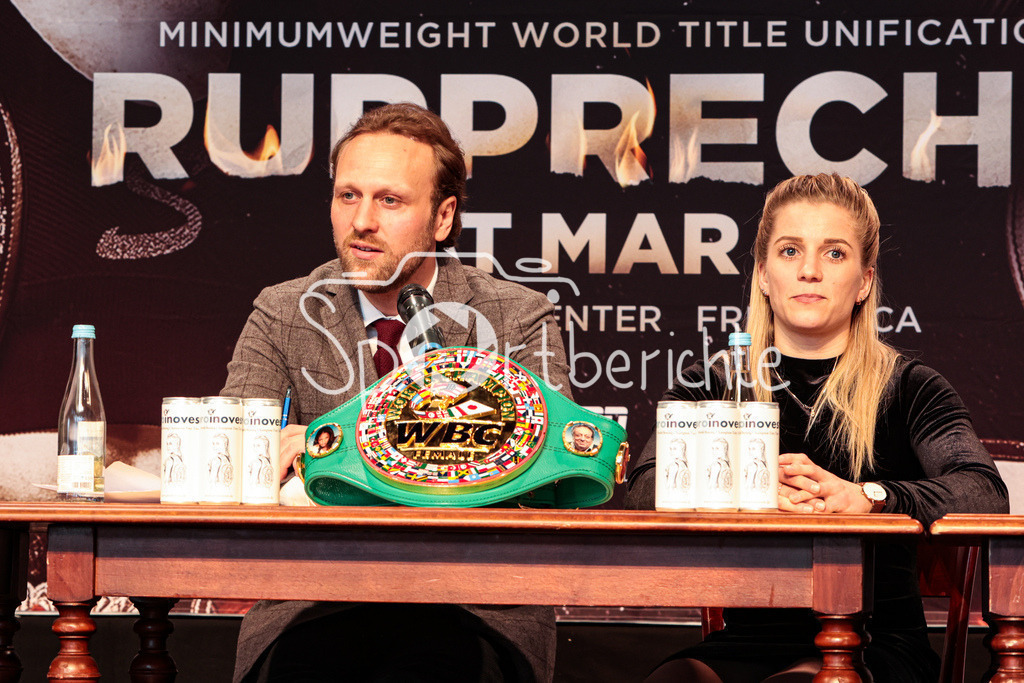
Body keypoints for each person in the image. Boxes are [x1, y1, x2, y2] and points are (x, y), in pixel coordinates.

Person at [222, 102, 571, 683]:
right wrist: (261, 457)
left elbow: (546, 469)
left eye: (389, 200)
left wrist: (328, 448)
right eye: (348, 195)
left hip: (472, 606)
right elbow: (234, 461)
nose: (361, 221)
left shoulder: (517, 317)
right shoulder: (282, 312)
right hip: (315, 604)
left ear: (442, 217)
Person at [624, 173, 1008, 683]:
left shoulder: (910, 387)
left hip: (876, 642)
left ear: (865, 281)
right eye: (789, 251)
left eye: (833, 254)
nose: (808, 271)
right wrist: (752, 490)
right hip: (748, 641)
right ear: (763, 274)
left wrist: (867, 499)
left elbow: (983, 491)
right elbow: (643, 489)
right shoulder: (712, 384)